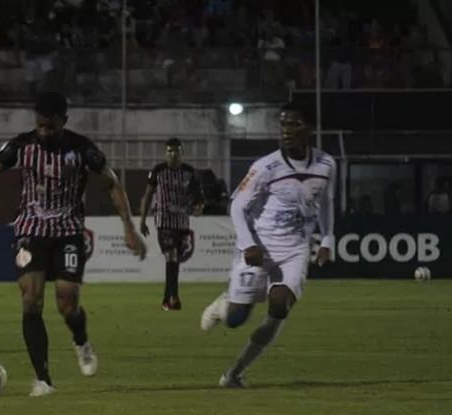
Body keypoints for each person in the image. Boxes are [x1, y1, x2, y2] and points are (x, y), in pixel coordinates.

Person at [0, 92, 147, 397]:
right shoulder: (21, 146)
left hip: (68, 231)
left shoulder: (81, 149)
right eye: (40, 126)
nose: (44, 132)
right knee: (31, 300)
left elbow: (111, 183)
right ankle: (43, 380)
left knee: (67, 303)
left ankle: (81, 341)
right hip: (30, 230)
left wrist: (129, 227)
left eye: (50, 127)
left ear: (64, 121)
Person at [199, 102, 335, 388]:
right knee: (235, 319)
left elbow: (325, 202)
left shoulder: (326, 164)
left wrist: (327, 239)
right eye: (283, 124)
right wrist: (249, 243)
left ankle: (234, 373)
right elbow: (237, 206)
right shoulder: (265, 167)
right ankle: (225, 303)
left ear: (309, 127)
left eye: (294, 124)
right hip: (260, 248)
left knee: (280, 306)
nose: (286, 130)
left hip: (295, 250)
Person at [138, 138, 204, 311]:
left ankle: (166, 299)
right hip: (164, 221)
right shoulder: (158, 171)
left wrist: (199, 207)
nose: (173, 154)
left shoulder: (189, 172)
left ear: (182, 153)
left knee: (175, 261)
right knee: (171, 256)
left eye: (176, 151)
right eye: (170, 151)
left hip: (182, 223)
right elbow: (148, 195)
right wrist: (143, 220)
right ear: (165, 153)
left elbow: (198, 196)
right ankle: (174, 298)